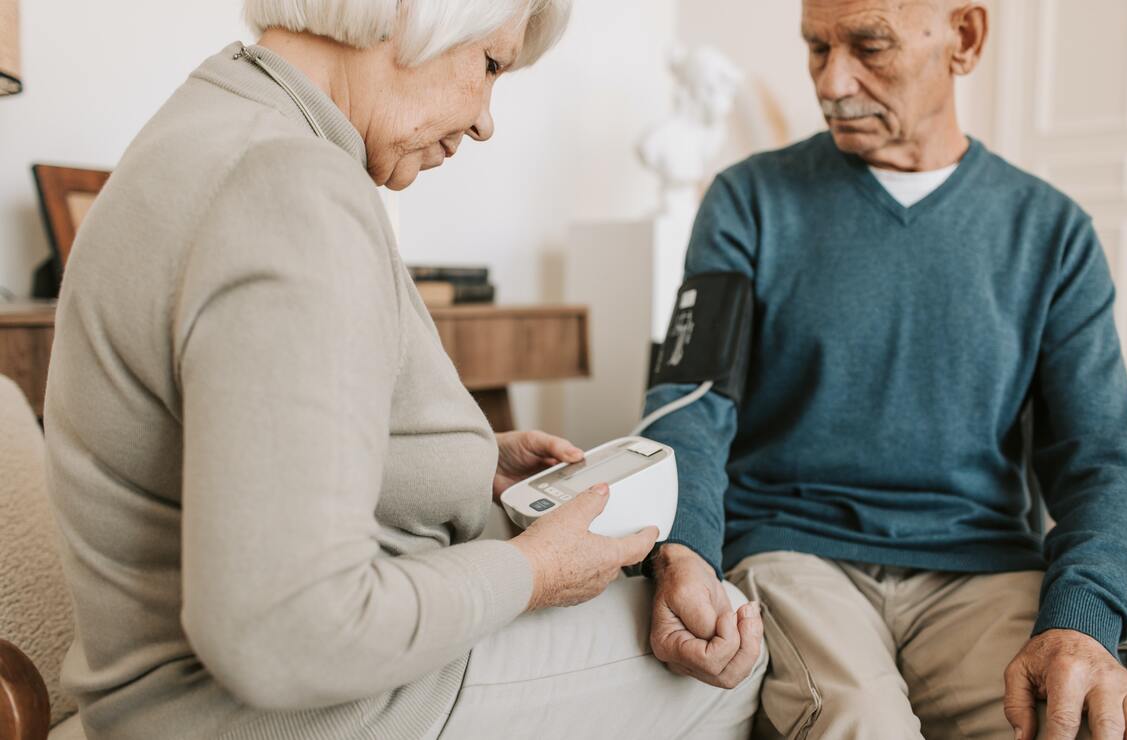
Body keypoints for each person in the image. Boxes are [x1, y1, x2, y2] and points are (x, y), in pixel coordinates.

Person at [42, 1, 765, 738]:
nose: (486, 120)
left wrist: (456, 462)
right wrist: (534, 573)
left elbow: (251, 439)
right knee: (734, 663)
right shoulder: (290, 188)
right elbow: (280, 630)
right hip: (281, 715)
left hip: (176, 696)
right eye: (489, 65)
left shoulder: (220, 121)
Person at [639, 1, 1127, 738]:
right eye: (816, 48)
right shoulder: (748, 201)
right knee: (862, 723)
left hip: (979, 567)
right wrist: (686, 547)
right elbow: (690, 398)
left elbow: (1102, 452)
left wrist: (1085, 619)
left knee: (1080, 722)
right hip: (797, 549)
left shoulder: (1051, 233)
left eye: (868, 46)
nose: (832, 80)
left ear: (965, 37)